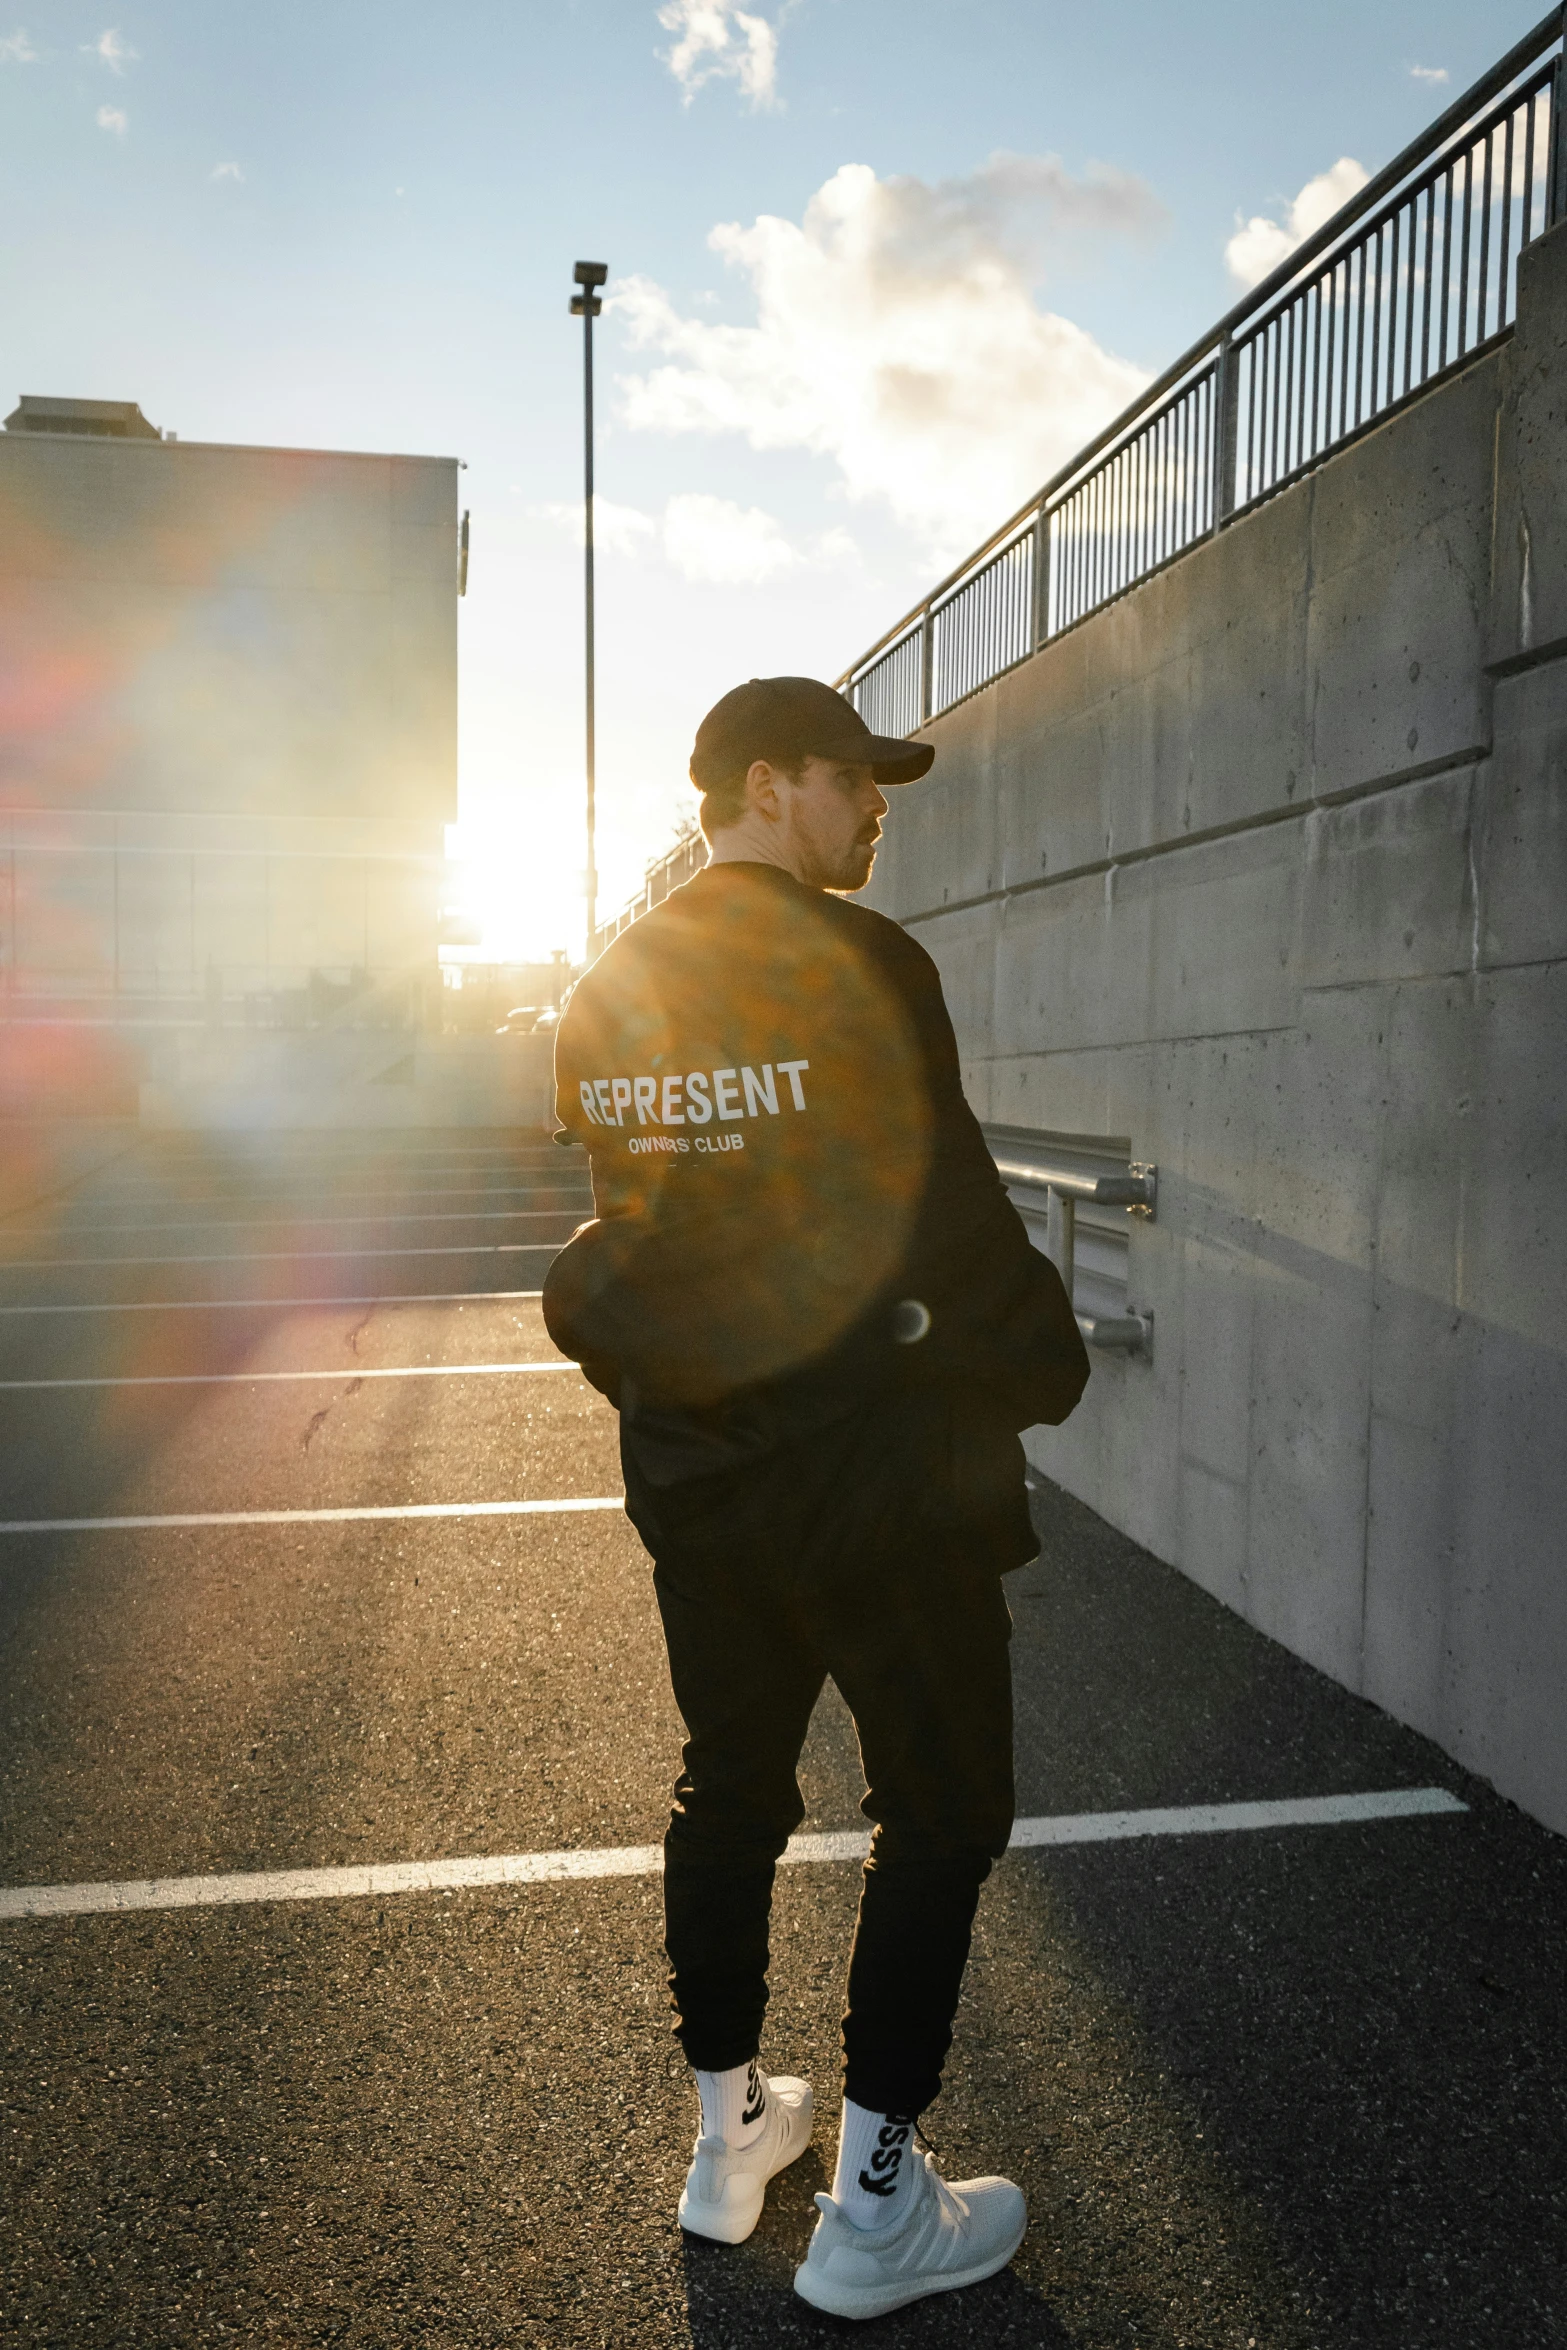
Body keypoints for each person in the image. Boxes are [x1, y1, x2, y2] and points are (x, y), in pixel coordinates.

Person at [543, 675, 1089, 2320]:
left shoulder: (603, 992)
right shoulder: (862, 964)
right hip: (874, 1491)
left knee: (732, 1784)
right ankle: (871, 2207)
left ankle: (730, 2143)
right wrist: (1043, 1364)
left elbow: (626, 1255)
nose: (876, 808)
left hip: (703, 1489)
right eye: (856, 780)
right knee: (941, 1812)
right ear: (769, 783)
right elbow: (943, 1220)